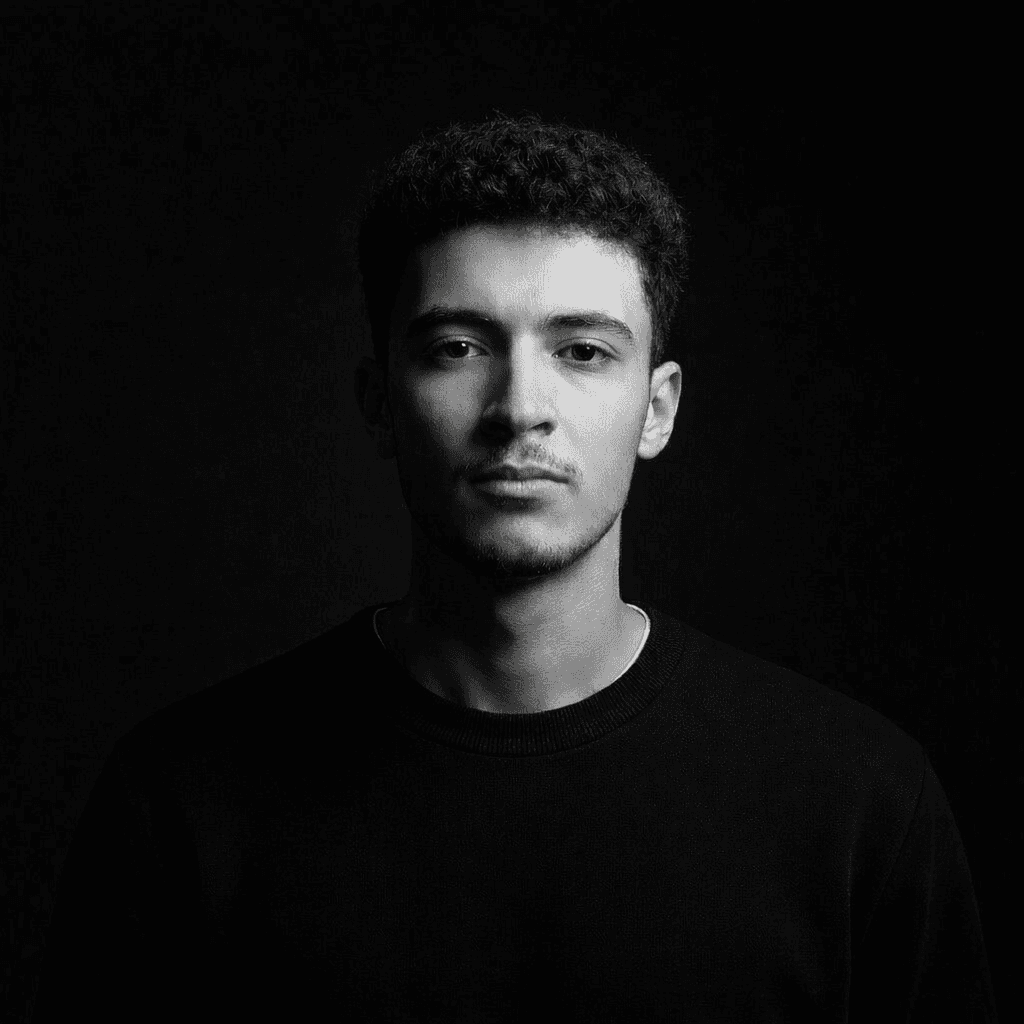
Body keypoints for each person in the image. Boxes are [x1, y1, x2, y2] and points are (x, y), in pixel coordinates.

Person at [33, 115, 997, 1022]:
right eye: (458, 347)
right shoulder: (181, 804)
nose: (518, 407)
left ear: (657, 409)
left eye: (581, 350)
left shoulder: (857, 802)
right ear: (378, 401)